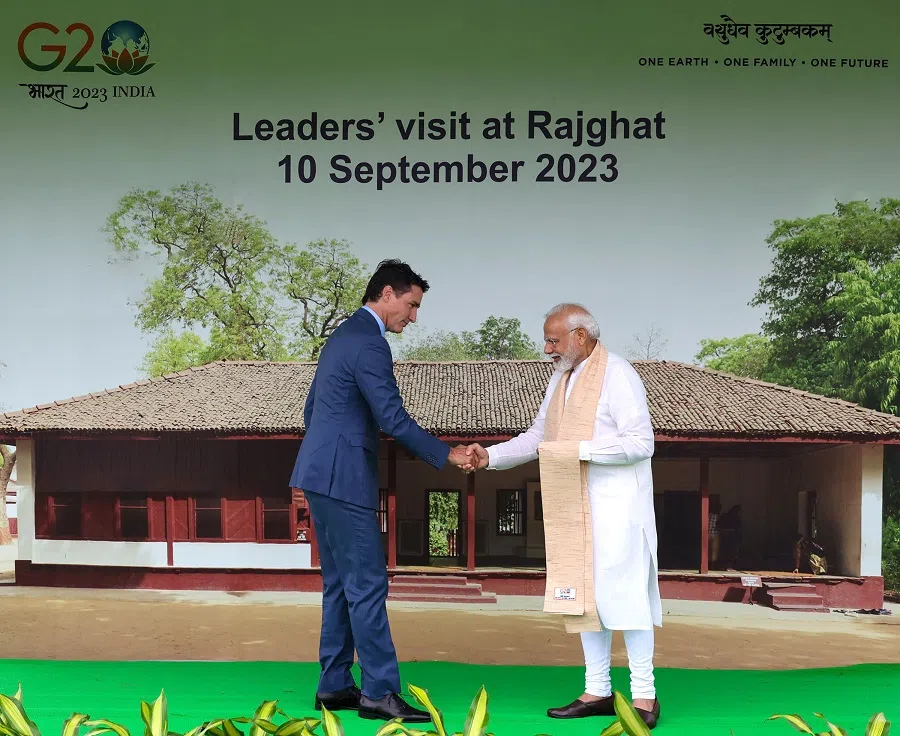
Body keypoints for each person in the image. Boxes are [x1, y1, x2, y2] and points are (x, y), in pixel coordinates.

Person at [289, 259, 474, 723]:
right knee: (368, 585)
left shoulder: (341, 336)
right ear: (386, 294)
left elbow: (312, 409)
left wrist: (329, 452)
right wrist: (447, 454)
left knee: (339, 585)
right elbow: (391, 417)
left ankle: (333, 685)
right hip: (344, 476)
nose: (413, 317)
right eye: (411, 306)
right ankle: (379, 693)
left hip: (317, 474)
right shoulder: (369, 342)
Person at [465, 303, 662, 728]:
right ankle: (597, 691)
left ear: (581, 336)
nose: (546, 348)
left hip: (617, 510)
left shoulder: (619, 375)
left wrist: (580, 452)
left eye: (553, 339)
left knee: (624, 600)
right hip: (576, 509)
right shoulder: (561, 379)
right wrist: (490, 456)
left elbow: (641, 443)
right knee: (585, 600)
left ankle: (645, 696)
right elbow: (540, 436)